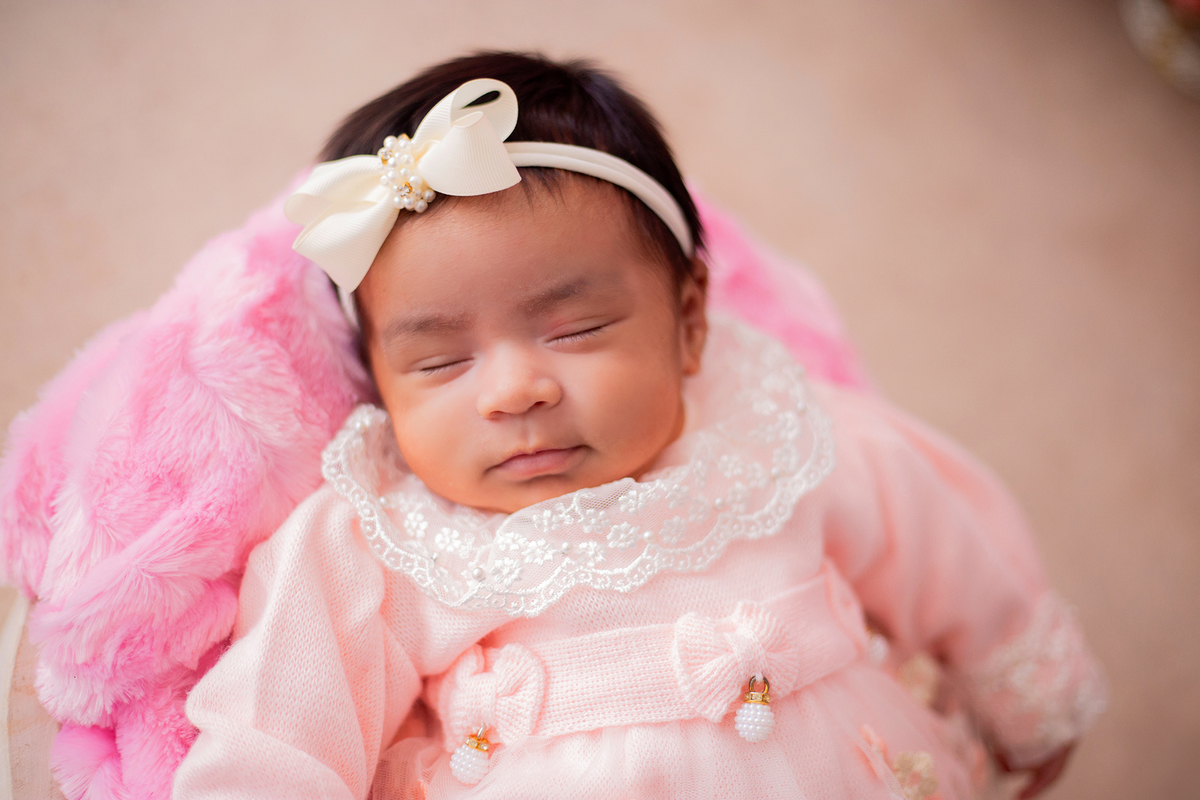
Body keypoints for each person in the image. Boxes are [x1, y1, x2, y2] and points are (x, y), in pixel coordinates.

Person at [172, 52, 1105, 800]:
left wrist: (1027, 700)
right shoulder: (378, 541)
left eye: (575, 329)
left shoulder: (777, 436)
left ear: (690, 320)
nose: (515, 390)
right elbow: (276, 736)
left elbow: (946, 551)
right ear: (377, 382)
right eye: (440, 362)